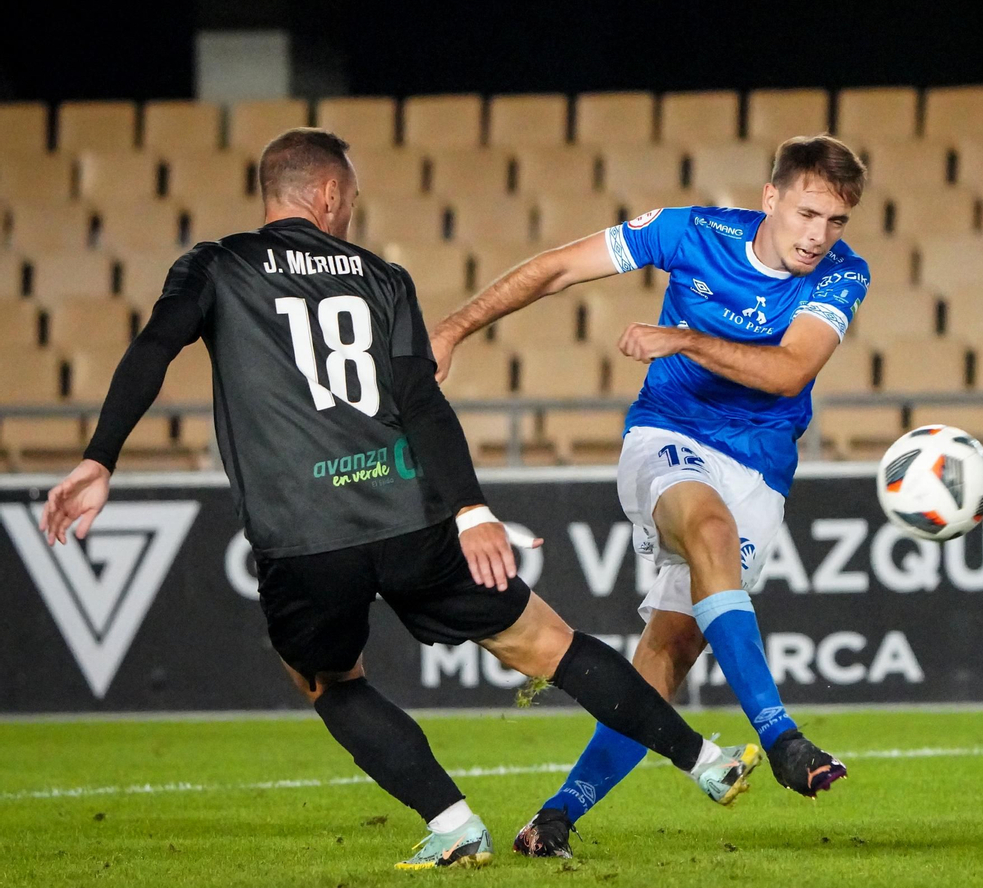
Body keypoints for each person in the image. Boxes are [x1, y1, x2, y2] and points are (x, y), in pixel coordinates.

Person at [36, 128, 760, 872]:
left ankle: (453, 822)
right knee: (551, 644)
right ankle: (704, 758)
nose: (352, 206)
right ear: (325, 194)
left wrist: (100, 458)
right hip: (410, 514)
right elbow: (420, 401)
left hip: (305, 534)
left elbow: (153, 346)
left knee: (328, 680)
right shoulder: (383, 278)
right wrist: (471, 510)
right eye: (350, 193)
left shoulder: (217, 266)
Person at [429, 135, 868, 857]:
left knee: (665, 654)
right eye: (808, 213)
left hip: (760, 467)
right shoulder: (691, 233)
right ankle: (781, 734)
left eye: (836, 221)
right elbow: (558, 268)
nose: (819, 236)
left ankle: (556, 817)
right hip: (669, 436)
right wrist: (453, 327)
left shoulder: (844, 275)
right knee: (708, 526)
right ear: (772, 198)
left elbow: (791, 372)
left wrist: (685, 340)